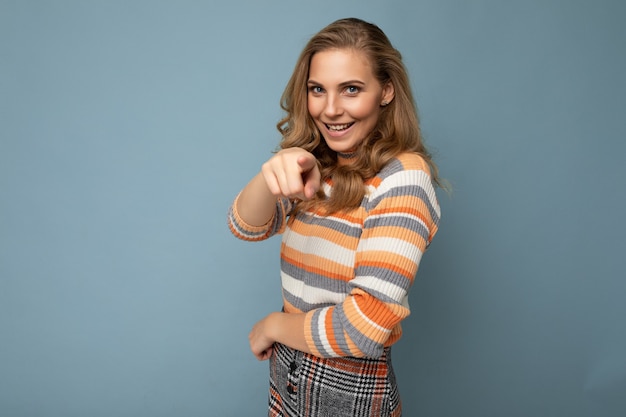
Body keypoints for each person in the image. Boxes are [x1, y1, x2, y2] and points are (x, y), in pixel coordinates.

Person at [227, 17, 442, 417]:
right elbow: (245, 225)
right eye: (317, 90)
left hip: (348, 391)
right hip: (288, 374)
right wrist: (271, 171)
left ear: (386, 91)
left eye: (351, 89)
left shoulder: (404, 178)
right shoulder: (321, 166)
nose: (330, 109)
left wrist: (273, 326)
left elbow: (362, 330)